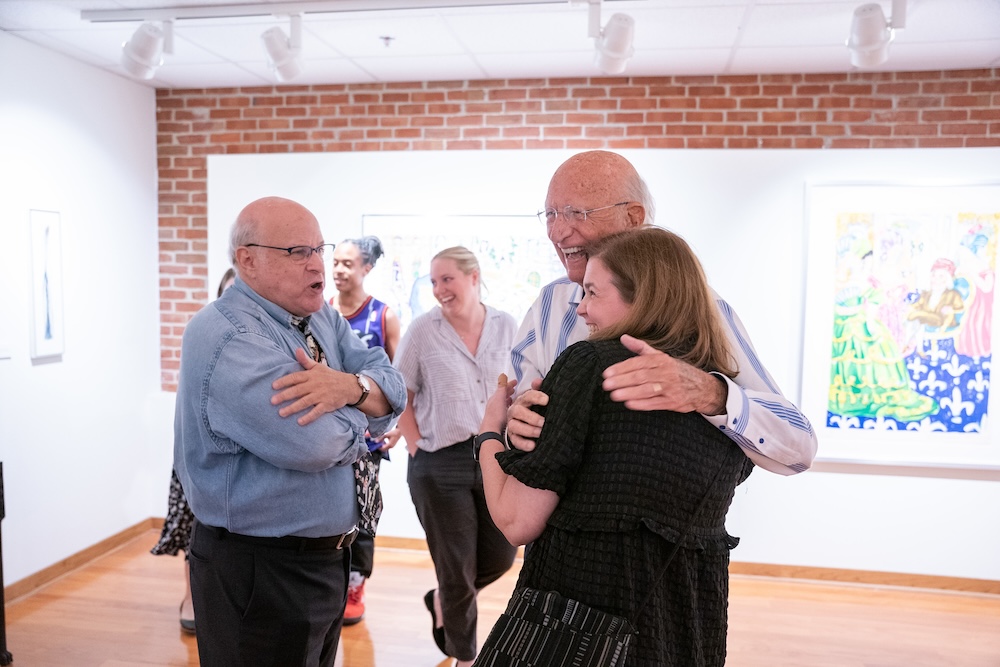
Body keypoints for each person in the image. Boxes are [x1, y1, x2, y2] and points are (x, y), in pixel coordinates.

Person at [476, 226, 755, 666]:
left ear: (642, 296)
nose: (582, 309)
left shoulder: (589, 364)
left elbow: (516, 521)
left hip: (573, 634)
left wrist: (489, 435)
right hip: (686, 634)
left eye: (591, 292)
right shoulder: (722, 394)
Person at [174, 196, 406, 667]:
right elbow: (316, 442)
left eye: (320, 248)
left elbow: (395, 387)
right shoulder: (229, 337)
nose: (317, 264)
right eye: (298, 252)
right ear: (248, 260)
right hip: (261, 571)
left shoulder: (318, 316)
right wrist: (365, 400)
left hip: (322, 562)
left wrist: (344, 387)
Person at [506, 150, 817, 476]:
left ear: (633, 217)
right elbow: (510, 415)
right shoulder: (549, 305)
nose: (557, 232)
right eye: (551, 213)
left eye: (576, 213)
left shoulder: (702, 310)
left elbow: (799, 448)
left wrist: (710, 393)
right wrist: (512, 425)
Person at [392, 246, 518, 667]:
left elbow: (517, 389)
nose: (439, 290)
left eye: (447, 279)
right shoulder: (422, 331)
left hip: (495, 456)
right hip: (439, 462)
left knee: (502, 555)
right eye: (432, 282)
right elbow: (400, 393)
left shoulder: (506, 326)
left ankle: (445, 599)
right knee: (457, 565)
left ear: (473, 277)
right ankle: (466, 658)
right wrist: (413, 442)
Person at [151, 266, 235, 634]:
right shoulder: (206, 336)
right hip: (200, 448)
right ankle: (191, 595)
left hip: (234, 452)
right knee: (193, 525)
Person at [329, 235, 401, 624]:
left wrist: (400, 425)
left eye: (348, 263)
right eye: (335, 262)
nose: (339, 270)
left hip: (369, 438)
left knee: (364, 509)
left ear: (366, 268)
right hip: (328, 436)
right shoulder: (322, 313)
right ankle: (333, 581)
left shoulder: (382, 315)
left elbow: (398, 377)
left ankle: (357, 584)